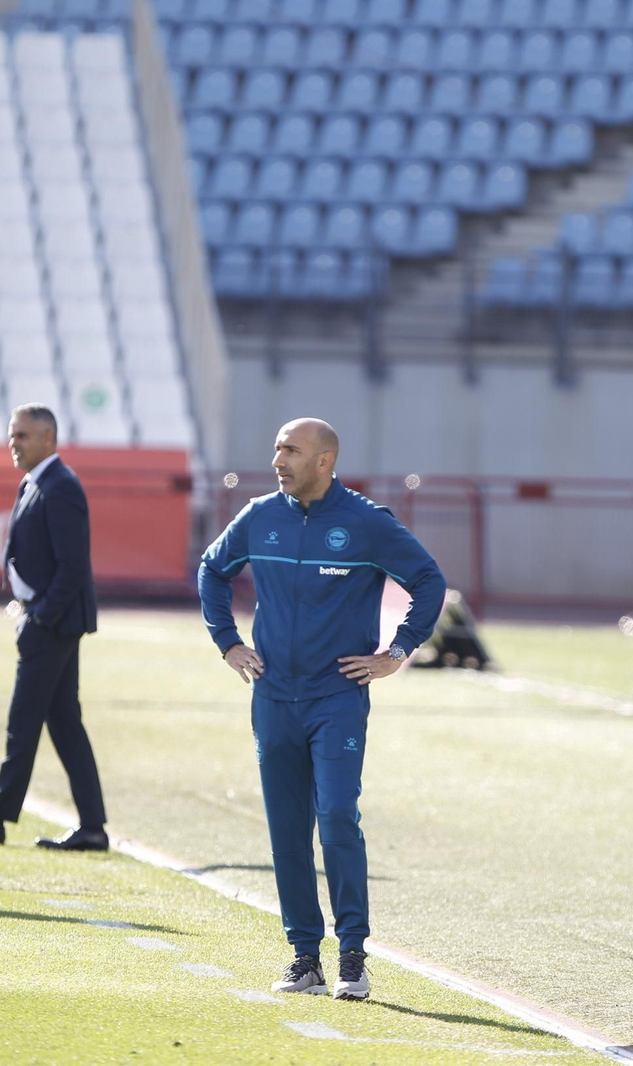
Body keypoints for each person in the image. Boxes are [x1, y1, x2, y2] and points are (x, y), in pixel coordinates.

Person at [197, 418, 447, 1002]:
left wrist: (397, 652)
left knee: (336, 816)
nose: (278, 459)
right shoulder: (260, 516)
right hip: (273, 696)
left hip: (336, 698)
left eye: (292, 450)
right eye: (278, 447)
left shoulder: (366, 523)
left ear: (325, 461)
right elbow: (213, 569)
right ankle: (304, 958)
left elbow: (428, 582)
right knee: (287, 830)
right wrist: (227, 642)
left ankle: (353, 955)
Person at [0, 404, 107, 852]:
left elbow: (73, 568)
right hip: (47, 619)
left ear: (49, 438)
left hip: (53, 625)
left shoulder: (61, 486)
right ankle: (92, 826)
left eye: (23, 436)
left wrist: (41, 619)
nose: (13, 443)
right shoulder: (38, 482)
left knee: (24, 722)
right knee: (64, 723)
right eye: (12, 435)